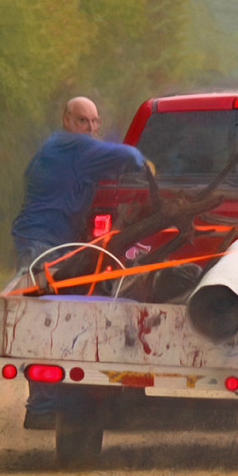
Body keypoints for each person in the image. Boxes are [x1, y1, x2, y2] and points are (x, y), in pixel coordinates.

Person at [10, 97, 149, 428]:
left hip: (49, 242)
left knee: (49, 314)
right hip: (41, 244)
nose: (92, 128)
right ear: (67, 120)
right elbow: (127, 155)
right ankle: (42, 405)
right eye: (84, 121)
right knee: (44, 317)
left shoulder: (62, 148)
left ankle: (45, 402)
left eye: (96, 122)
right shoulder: (73, 146)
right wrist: (146, 167)